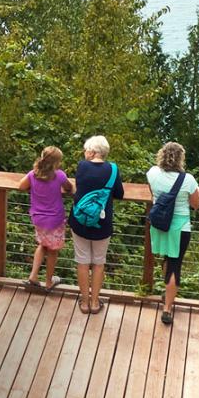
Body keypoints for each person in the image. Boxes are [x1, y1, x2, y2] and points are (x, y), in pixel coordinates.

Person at [146, 141, 199, 325]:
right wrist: (198, 192)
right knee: (174, 265)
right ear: (181, 158)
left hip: (159, 224)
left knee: (166, 259)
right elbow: (196, 204)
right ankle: (167, 308)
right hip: (180, 227)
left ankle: (166, 294)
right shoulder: (188, 179)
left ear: (161, 155)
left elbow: (153, 195)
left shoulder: (152, 173)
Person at [68, 135, 123, 314]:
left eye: (86, 150)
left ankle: (84, 303)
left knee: (82, 262)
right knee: (99, 263)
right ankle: (94, 302)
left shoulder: (82, 166)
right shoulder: (113, 169)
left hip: (80, 220)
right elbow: (119, 194)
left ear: (91, 151)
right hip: (102, 222)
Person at [16, 146, 74, 291]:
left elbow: (21, 186)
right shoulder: (59, 175)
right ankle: (49, 281)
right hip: (55, 220)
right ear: (56, 163)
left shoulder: (32, 174)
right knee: (53, 250)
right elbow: (69, 188)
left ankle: (33, 276)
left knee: (42, 245)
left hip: (38, 219)